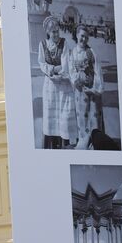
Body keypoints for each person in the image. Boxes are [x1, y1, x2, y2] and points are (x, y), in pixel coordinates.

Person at [37, 15, 76, 149]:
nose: (55, 34)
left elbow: (65, 64)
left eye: (57, 31)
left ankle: (65, 144)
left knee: (64, 115)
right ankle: (52, 145)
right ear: (48, 32)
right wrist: (52, 69)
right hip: (50, 86)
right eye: (53, 31)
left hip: (63, 83)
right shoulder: (42, 45)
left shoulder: (64, 43)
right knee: (51, 115)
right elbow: (42, 63)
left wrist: (58, 71)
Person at [68, 24, 103, 148]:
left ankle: (93, 143)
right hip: (80, 91)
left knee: (92, 117)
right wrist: (76, 81)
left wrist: (94, 88)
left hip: (91, 91)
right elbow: (71, 70)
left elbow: (97, 71)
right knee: (81, 116)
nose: (84, 39)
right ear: (77, 35)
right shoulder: (73, 52)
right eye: (82, 36)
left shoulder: (90, 52)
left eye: (86, 37)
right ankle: (83, 141)